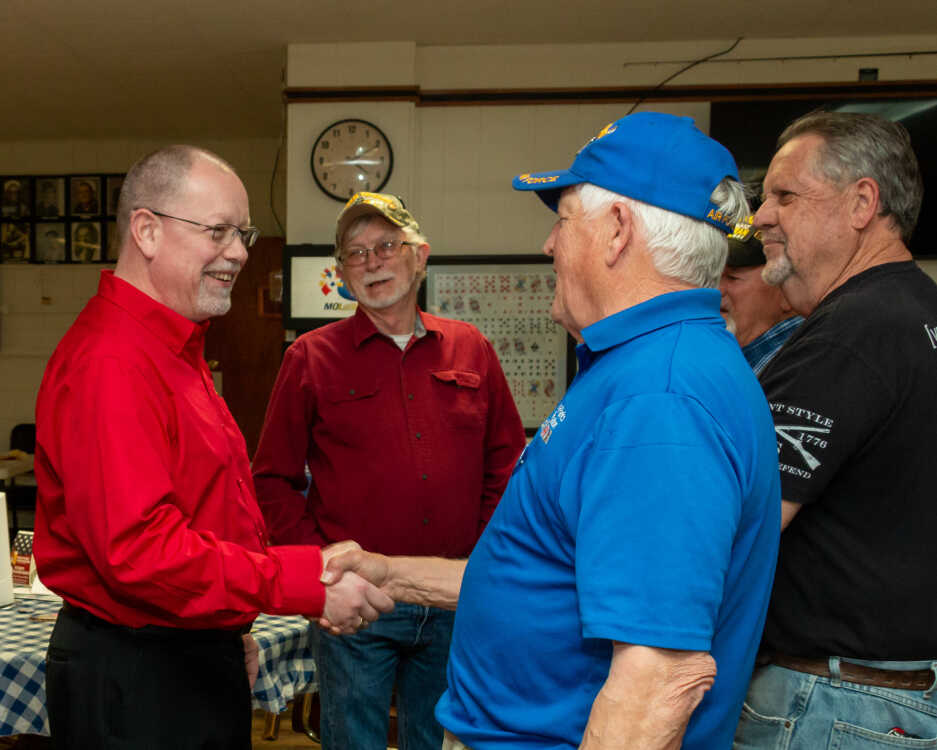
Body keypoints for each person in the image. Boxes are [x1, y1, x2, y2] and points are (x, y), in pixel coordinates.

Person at [322, 113, 781, 750]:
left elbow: (657, 680)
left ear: (617, 230)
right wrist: (390, 575)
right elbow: (548, 576)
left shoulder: (659, 401)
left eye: (562, 221)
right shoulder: (639, 369)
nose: (548, 245)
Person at [32, 145, 393, 750]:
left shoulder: (175, 348)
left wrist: (224, 629)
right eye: (218, 231)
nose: (240, 252)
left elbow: (206, 511)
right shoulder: (112, 362)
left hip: (185, 649)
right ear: (147, 231)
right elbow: (140, 551)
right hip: (138, 672)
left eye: (242, 234)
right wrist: (301, 582)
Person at [252, 191, 526, 750]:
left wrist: (481, 556)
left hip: (453, 597)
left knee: (440, 741)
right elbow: (272, 480)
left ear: (420, 256)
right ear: (342, 275)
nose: (372, 262)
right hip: (359, 603)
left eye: (386, 246)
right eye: (356, 253)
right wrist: (323, 566)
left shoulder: (471, 347)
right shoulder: (310, 357)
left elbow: (505, 462)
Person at [731, 110, 937, 746]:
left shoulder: (850, 333)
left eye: (786, 196)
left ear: (862, 203)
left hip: (835, 703)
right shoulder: (919, 310)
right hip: (897, 694)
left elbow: (744, 520)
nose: (761, 217)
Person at [719, 216, 802, 373]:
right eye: (715, 276)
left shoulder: (797, 366)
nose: (716, 290)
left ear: (786, 291)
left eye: (732, 277)